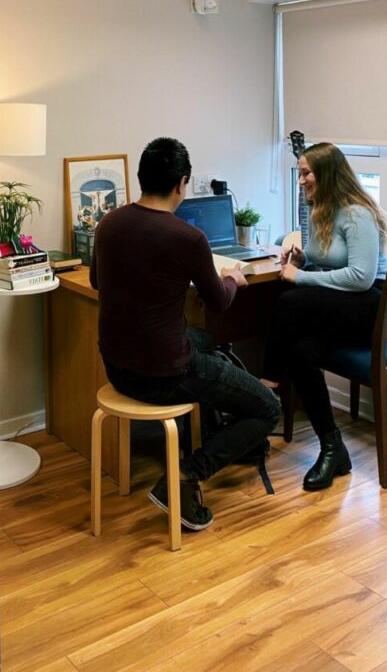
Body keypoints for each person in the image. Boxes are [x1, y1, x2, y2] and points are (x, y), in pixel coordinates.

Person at [89, 137, 280, 531]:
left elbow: (96, 280)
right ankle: (187, 475)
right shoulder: (187, 238)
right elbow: (219, 303)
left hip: (116, 366)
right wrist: (232, 278)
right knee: (267, 408)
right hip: (164, 376)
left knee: (208, 343)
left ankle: (211, 430)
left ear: (141, 178)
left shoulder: (108, 223)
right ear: (183, 183)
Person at [262, 142, 387, 491]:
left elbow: (360, 277)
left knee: (290, 302)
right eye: (300, 172)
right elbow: (330, 264)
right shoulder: (322, 210)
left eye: (306, 173)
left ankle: (266, 391)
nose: (301, 180)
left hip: (372, 307)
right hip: (345, 306)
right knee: (300, 351)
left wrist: (300, 277)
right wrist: (304, 261)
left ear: (328, 174)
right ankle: (333, 448)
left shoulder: (356, 213)